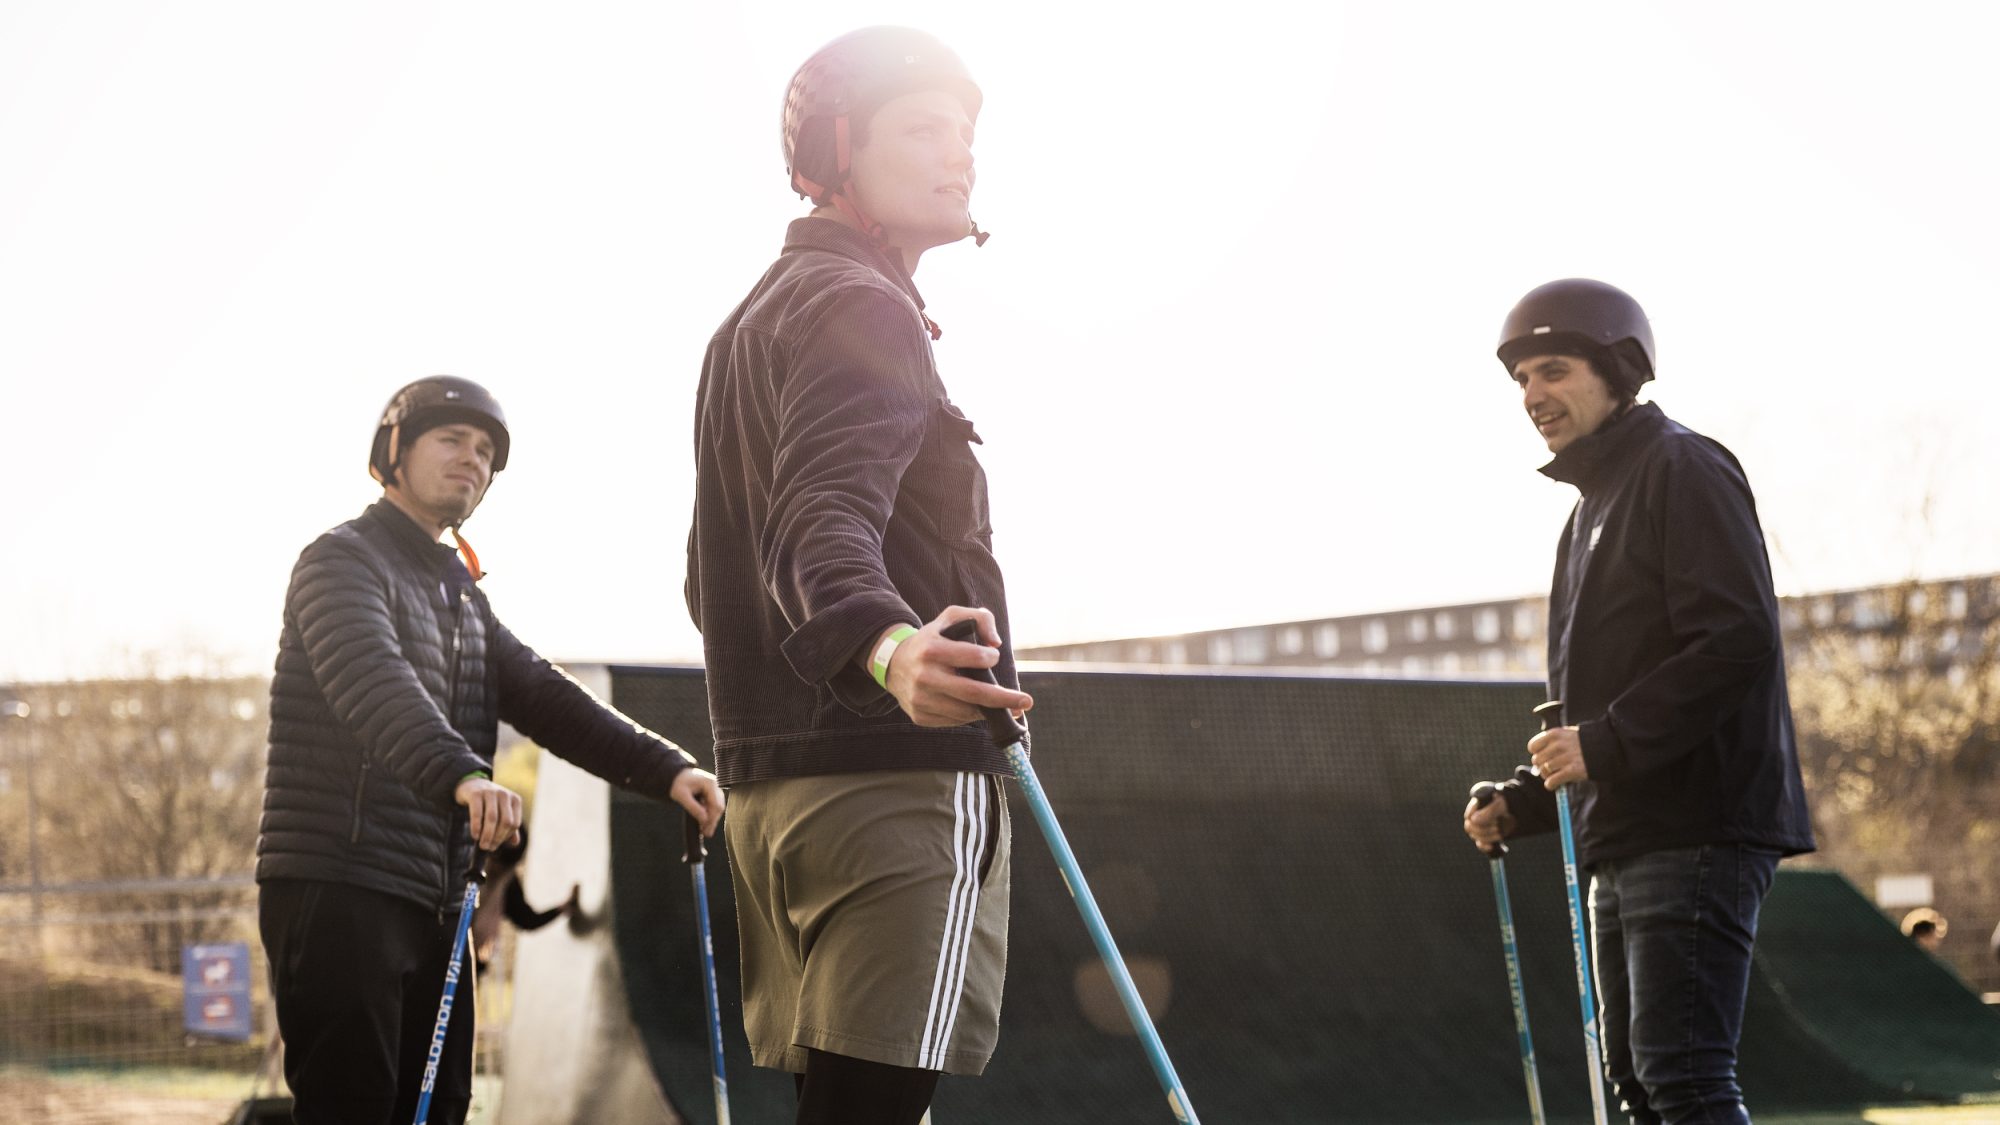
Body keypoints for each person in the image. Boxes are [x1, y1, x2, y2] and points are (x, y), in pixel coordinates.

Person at [685, 26, 1033, 1125]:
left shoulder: (746, 323)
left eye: (966, 129)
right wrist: (888, 650)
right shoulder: (867, 306)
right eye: (923, 127)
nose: (960, 151)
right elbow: (819, 523)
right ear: (838, 152)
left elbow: (710, 581)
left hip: (771, 799)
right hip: (895, 784)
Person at [258, 375, 724, 1125]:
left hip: (439, 895)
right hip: (341, 883)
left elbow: (545, 695)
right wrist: (463, 773)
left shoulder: (463, 599)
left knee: (442, 1108)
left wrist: (666, 767)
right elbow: (371, 678)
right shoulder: (339, 562)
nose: (471, 459)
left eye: (484, 451)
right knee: (353, 1108)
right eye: (451, 439)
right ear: (393, 451)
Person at [1460, 280, 1816, 1124]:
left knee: (1682, 1074)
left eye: (1554, 369)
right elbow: (1592, 708)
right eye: (1521, 379)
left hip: (1696, 822)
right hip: (1621, 830)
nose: (1532, 394)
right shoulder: (1587, 511)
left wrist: (1606, 744)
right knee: (1639, 1081)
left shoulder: (1682, 467)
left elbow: (1734, 638)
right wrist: (1525, 799)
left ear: (1618, 370)